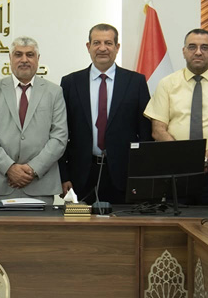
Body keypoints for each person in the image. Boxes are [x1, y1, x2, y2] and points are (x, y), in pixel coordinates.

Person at [144, 28, 208, 205]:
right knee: (176, 219)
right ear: (184, 51)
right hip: (176, 167)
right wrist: (187, 158)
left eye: (204, 47)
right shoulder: (167, 84)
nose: (198, 52)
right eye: (192, 47)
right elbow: (158, 130)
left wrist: (205, 158)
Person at [59, 24, 151, 204]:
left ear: (117, 47)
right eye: (97, 43)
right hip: (81, 176)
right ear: (88, 47)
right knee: (82, 222)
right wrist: (63, 175)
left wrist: (141, 175)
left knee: (123, 222)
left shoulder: (136, 82)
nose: (102, 48)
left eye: (108, 43)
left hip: (124, 175)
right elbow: (60, 132)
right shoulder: (71, 82)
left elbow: (145, 133)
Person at [0, 37, 68, 205]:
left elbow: (59, 137)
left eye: (30, 55)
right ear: (10, 58)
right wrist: (9, 168)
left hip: (40, 184)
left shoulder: (54, 92)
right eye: (18, 54)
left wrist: (33, 169)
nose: (24, 59)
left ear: (38, 59)